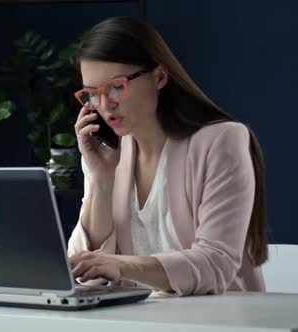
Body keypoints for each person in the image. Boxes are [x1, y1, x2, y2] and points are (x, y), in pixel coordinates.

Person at [67, 16, 268, 296]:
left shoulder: (222, 140)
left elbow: (216, 264)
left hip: (221, 320)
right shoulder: (108, 156)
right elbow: (86, 277)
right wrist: (101, 180)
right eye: (92, 93)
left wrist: (123, 266)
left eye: (116, 86)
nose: (104, 103)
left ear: (159, 77)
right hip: (139, 322)